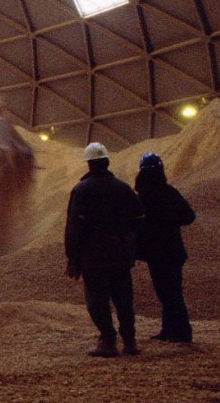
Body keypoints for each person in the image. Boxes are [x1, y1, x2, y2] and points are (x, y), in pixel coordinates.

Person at [65, 142, 145, 357]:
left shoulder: (81, 190)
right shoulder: (123, 188)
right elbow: (139, 218)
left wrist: (73, 257)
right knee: (124, 300)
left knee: (98, 301)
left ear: (89, 165)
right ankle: (130, 342)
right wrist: (130, 242)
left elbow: (74, 227)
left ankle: (108, 340)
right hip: (120, 255)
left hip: (93, 257)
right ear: (107, 162)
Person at [135, 152, 197, 344]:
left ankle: (183, 332)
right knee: (171, 290)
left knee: (167, 292)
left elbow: (136, 223)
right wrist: (171, 221)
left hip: (157, 253)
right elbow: (189, 216)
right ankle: (169, 329)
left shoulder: (143, 196)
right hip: (174, 251)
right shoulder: (170, 192)